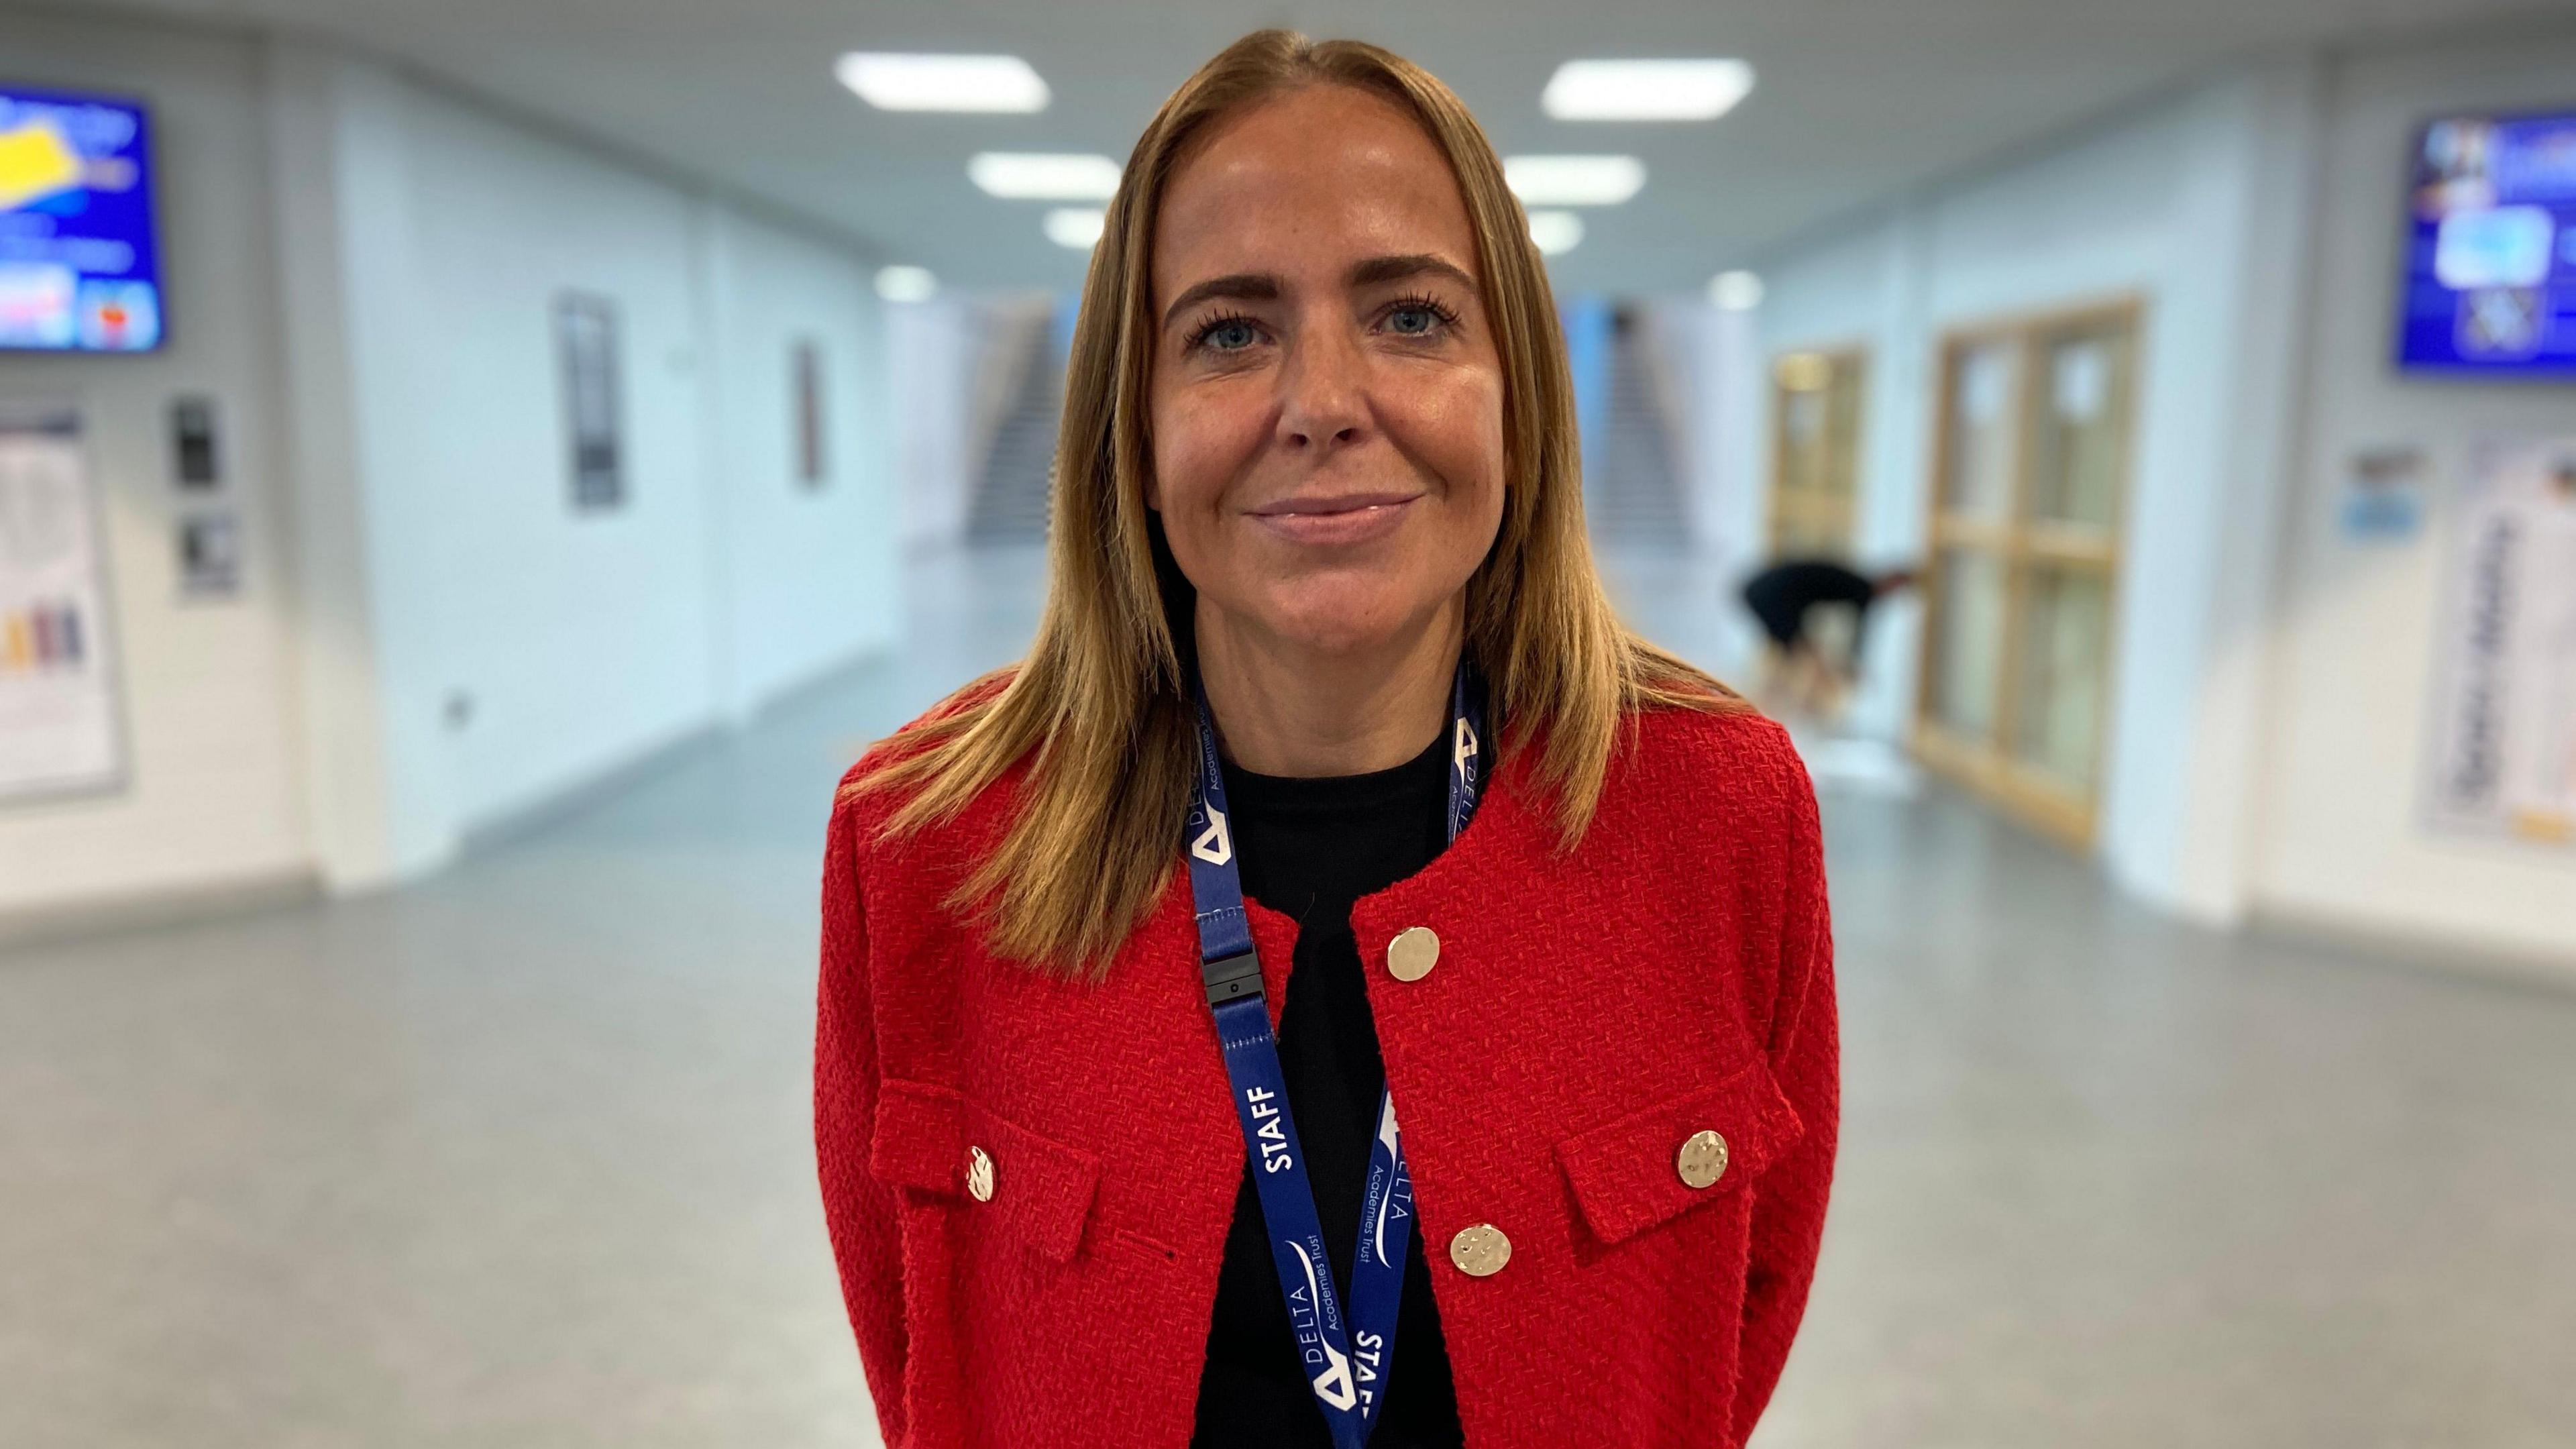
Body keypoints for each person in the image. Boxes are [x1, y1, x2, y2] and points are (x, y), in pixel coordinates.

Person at [815, 30, 1837, 1449]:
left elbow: (1731, 1334)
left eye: (1411, 316)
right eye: (1229, 332)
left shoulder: (1715, 812)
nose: (1323, 406)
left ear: (1517, 389)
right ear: (1136, 422)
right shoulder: (925, 838)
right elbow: (923, 1366)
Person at [1738, 558, 1914, 717]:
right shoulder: (1862, 589)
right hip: (1773, 596)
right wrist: (1852, 664)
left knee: (1796, 653)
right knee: (1803, 655)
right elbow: (1859, 632)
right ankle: (1772, 705)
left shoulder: (1858, 586)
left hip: (1767, 594)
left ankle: (1774, 704)